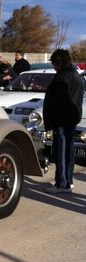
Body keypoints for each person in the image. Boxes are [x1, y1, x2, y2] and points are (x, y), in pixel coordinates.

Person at [43, 48, 83, 194]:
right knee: (68, 150)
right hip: (71, 119)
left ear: (58, 62)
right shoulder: (75, 75)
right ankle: (68, 181)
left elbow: (58, 102)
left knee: (62, 150)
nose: (53, 66)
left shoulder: (62, 77)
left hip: (62, 120)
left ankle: (62, 183)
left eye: (54, 62)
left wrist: (52, 121)